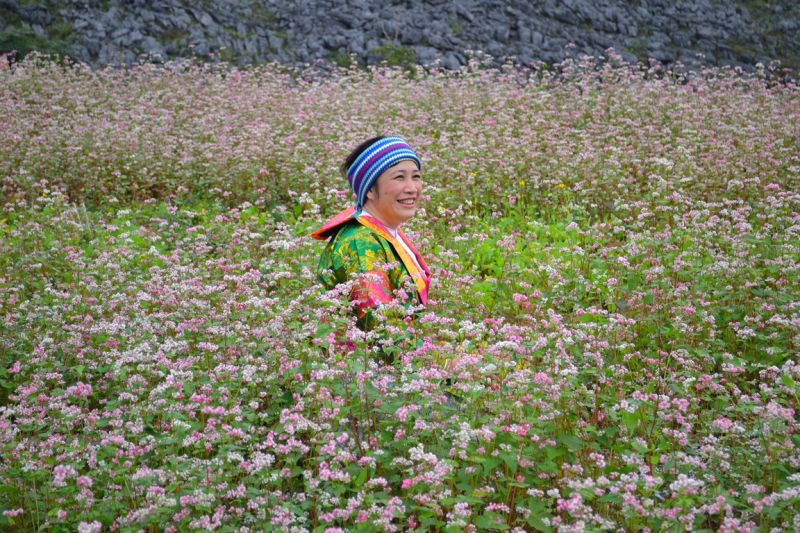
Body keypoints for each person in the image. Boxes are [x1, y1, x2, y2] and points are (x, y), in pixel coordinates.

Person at [311, 136, 431, 335]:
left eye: (416, 176)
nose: (412, 188)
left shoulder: (385, 230)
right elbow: (379, 325)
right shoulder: (360, 242)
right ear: (370, 190)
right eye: (399, 177)